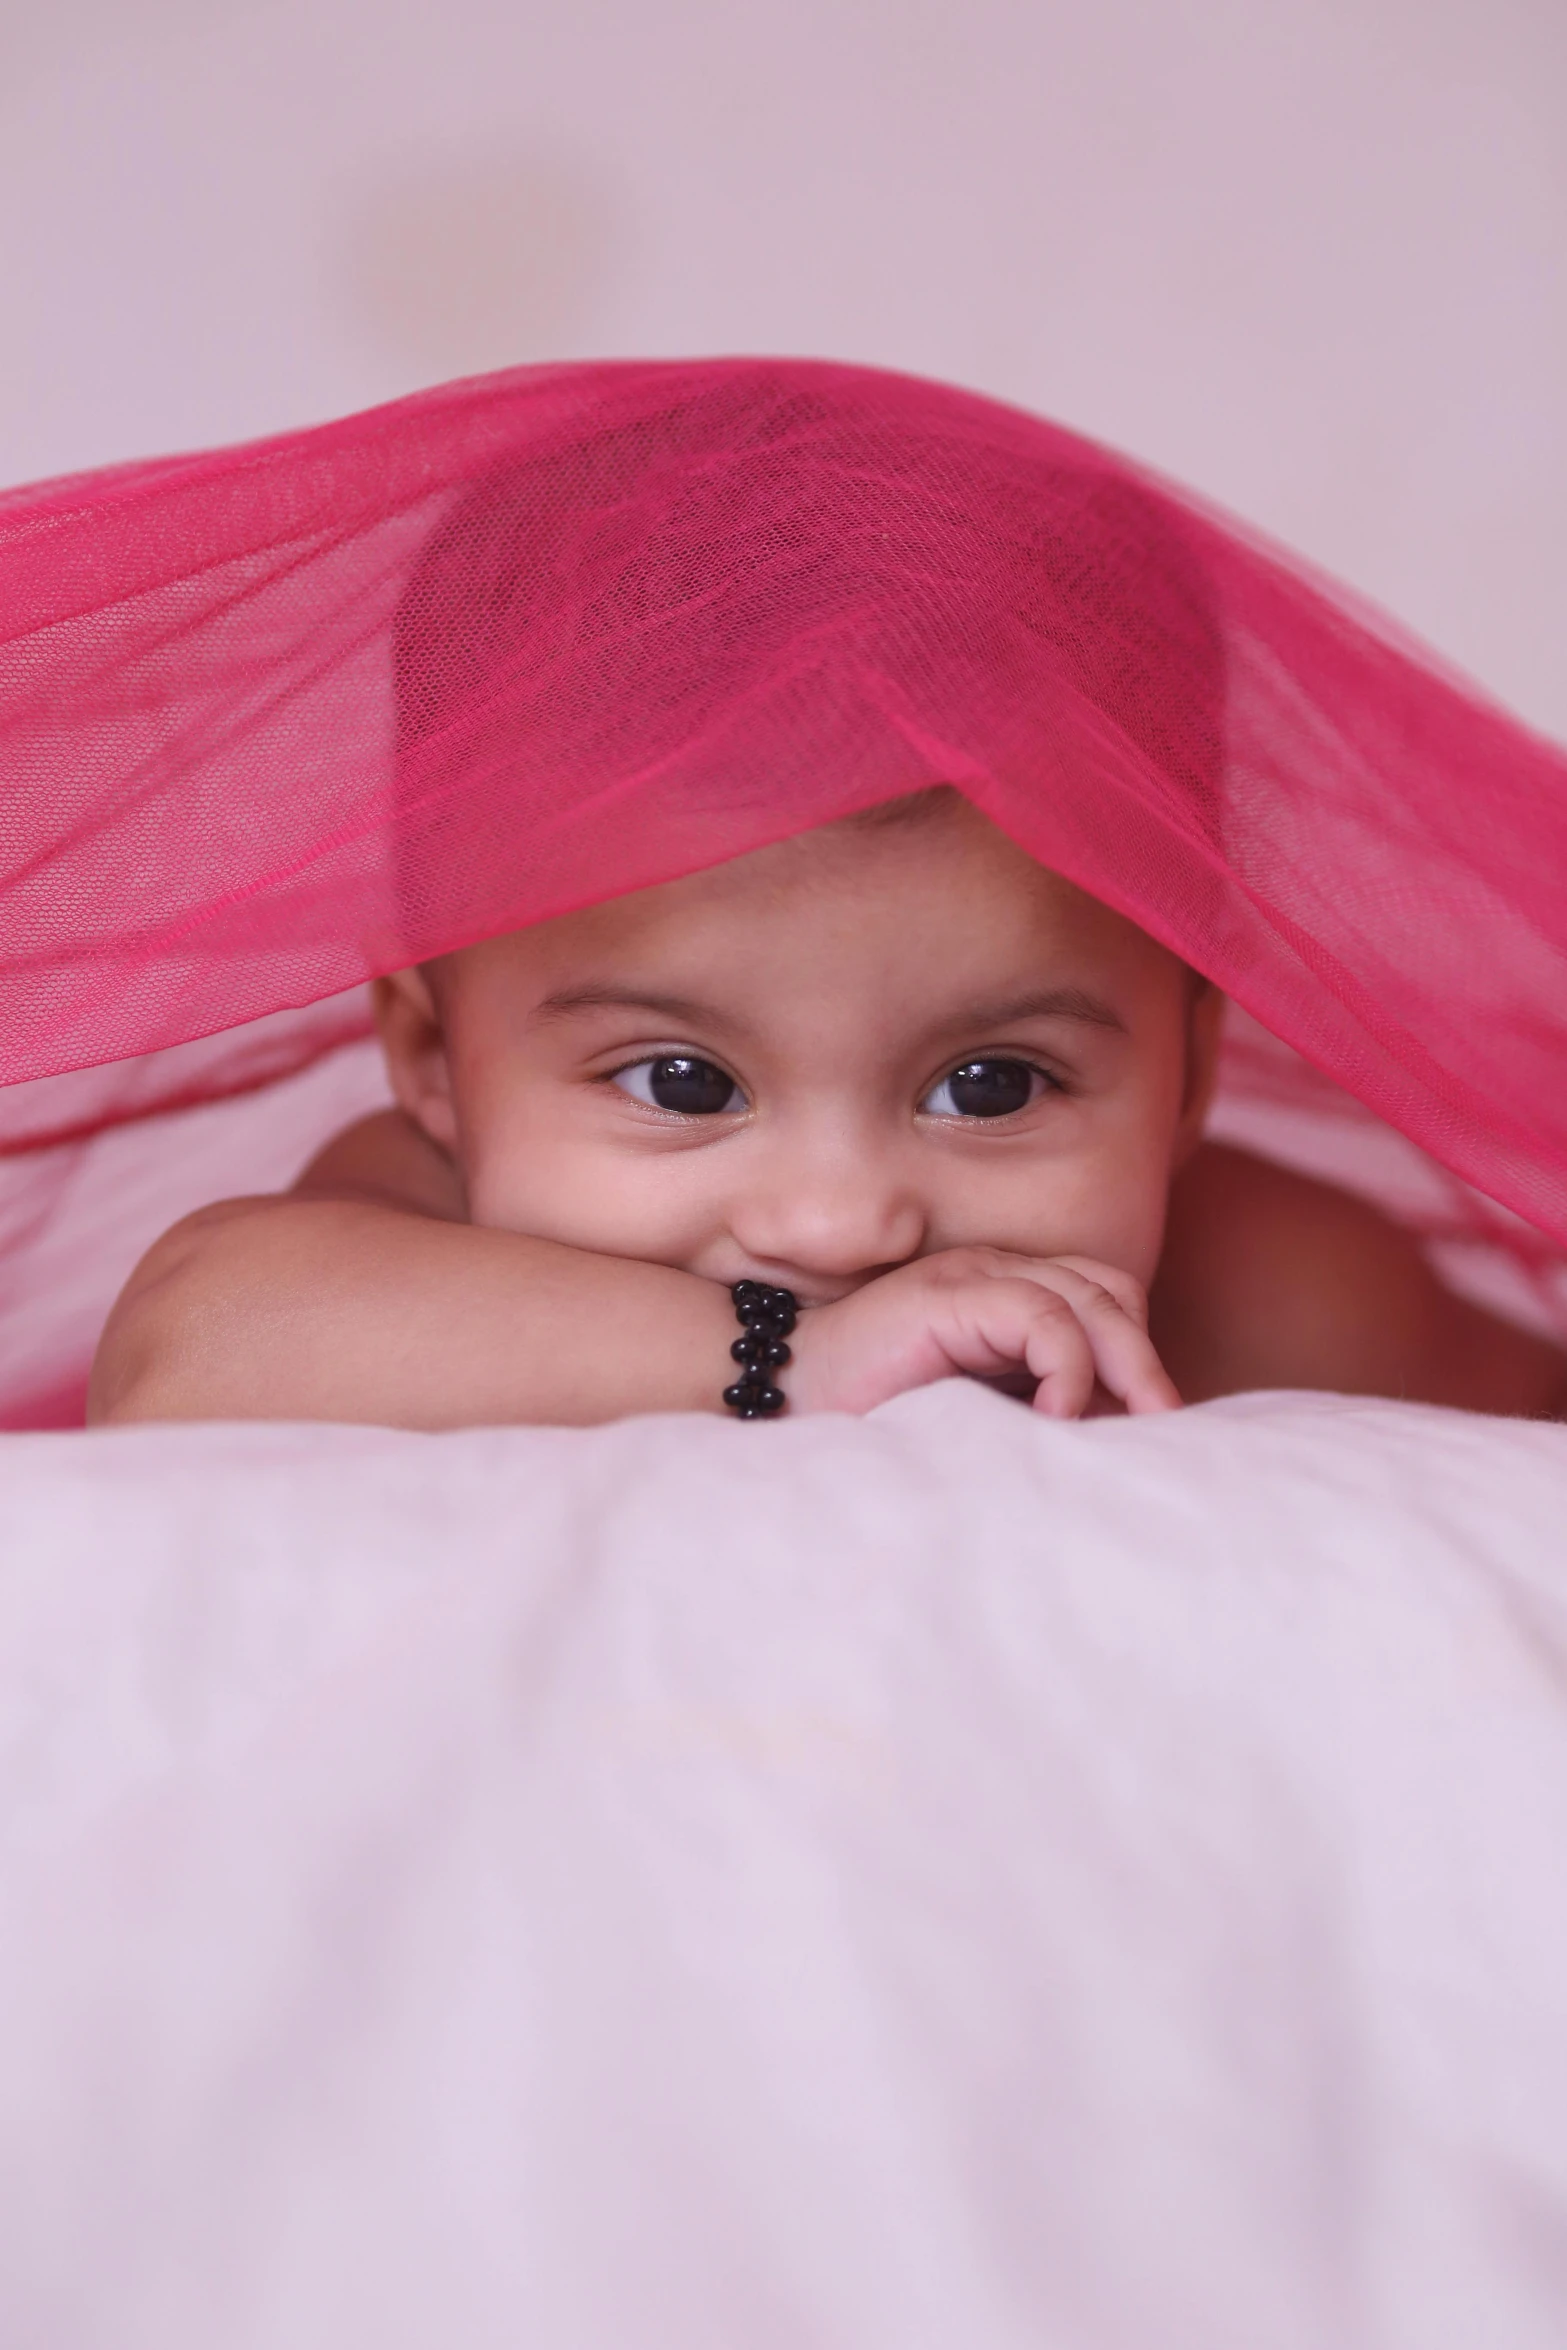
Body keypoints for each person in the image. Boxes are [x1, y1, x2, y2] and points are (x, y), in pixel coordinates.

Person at [87, 784, 1567, 1428]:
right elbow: (195, 1346)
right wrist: (801, 1359)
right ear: (429, 1062)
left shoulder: (1250, 1282)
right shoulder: (413, 1209)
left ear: (1184, 1073)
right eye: (683, 1082)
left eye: (989, 1086)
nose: (840, 1220)